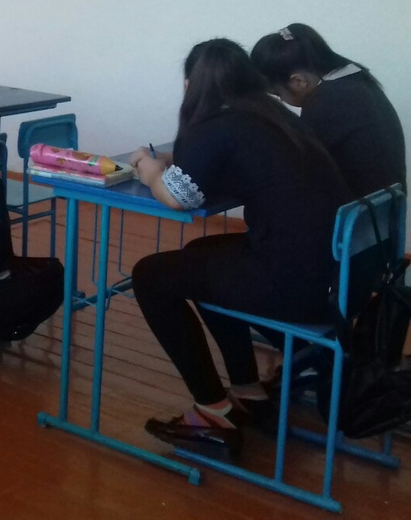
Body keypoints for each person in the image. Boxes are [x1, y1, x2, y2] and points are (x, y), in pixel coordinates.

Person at [130, 38, 349, 461]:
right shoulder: (270, 115)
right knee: (199, 254)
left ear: (192, 84)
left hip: (292, 284)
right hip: (330, 275)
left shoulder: (218, 124)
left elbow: (176, 196)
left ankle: (213, 412)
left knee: (149, 276)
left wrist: (149, 167)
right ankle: (248, 390)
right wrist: (176, 165)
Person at [250, 23, 405, 198]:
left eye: (278, 94)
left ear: (298, 81)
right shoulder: (358, 80)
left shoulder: (325, 99)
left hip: (358, 209)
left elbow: (299, 164)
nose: (282, 101)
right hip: (387, 204)